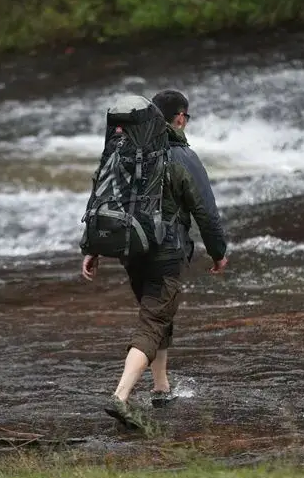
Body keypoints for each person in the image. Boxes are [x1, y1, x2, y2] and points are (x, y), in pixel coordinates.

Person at [80, 92, 228, 430]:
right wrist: (218, 252)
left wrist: (93, 247)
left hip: (131, 252)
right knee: (153, 321)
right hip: (166, 252)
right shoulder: (181, 157)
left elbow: (105, 200)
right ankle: (120, 396)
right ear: (178, 118)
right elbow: (205, 210)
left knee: (158, 313)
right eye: (186, 118)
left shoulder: (123, 154)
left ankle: (161, 387)